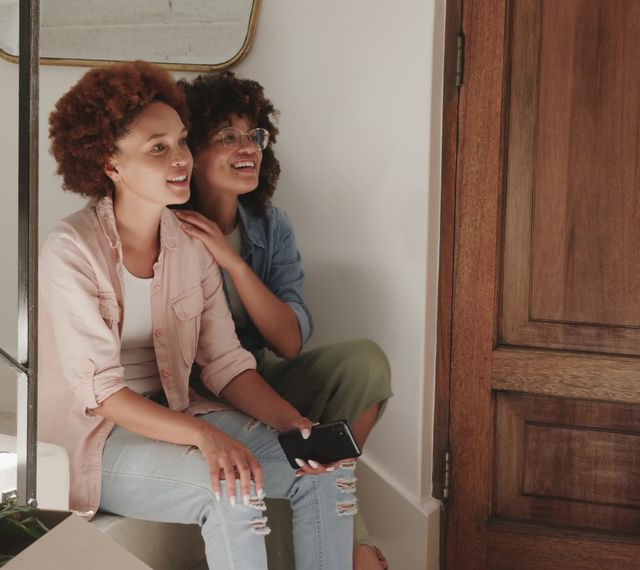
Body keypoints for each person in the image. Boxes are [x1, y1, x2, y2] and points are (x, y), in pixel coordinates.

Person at [38, 61, 355, 570]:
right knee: (231, 486)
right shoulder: (71, 249)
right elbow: (100, 394)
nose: (181, 158)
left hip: (180, 413)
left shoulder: (190, 242)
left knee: (327, 468)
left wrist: (292, 423)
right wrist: (207, 437)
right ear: (109, 164)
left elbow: (226, 364)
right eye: (158, 147)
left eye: (182, 142)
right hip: (96, 439)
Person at [176, 70, 393, 570]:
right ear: (191, 151)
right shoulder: (168, 228)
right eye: (227, 136)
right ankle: (354, 543)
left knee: (366, 364)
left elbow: (290, 341)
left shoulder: (270, 226)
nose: (247, 146)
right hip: (200, 393)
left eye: (253, 134)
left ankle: (338, 517)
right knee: (277, 441)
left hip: (258, 373)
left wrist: (232, 262)